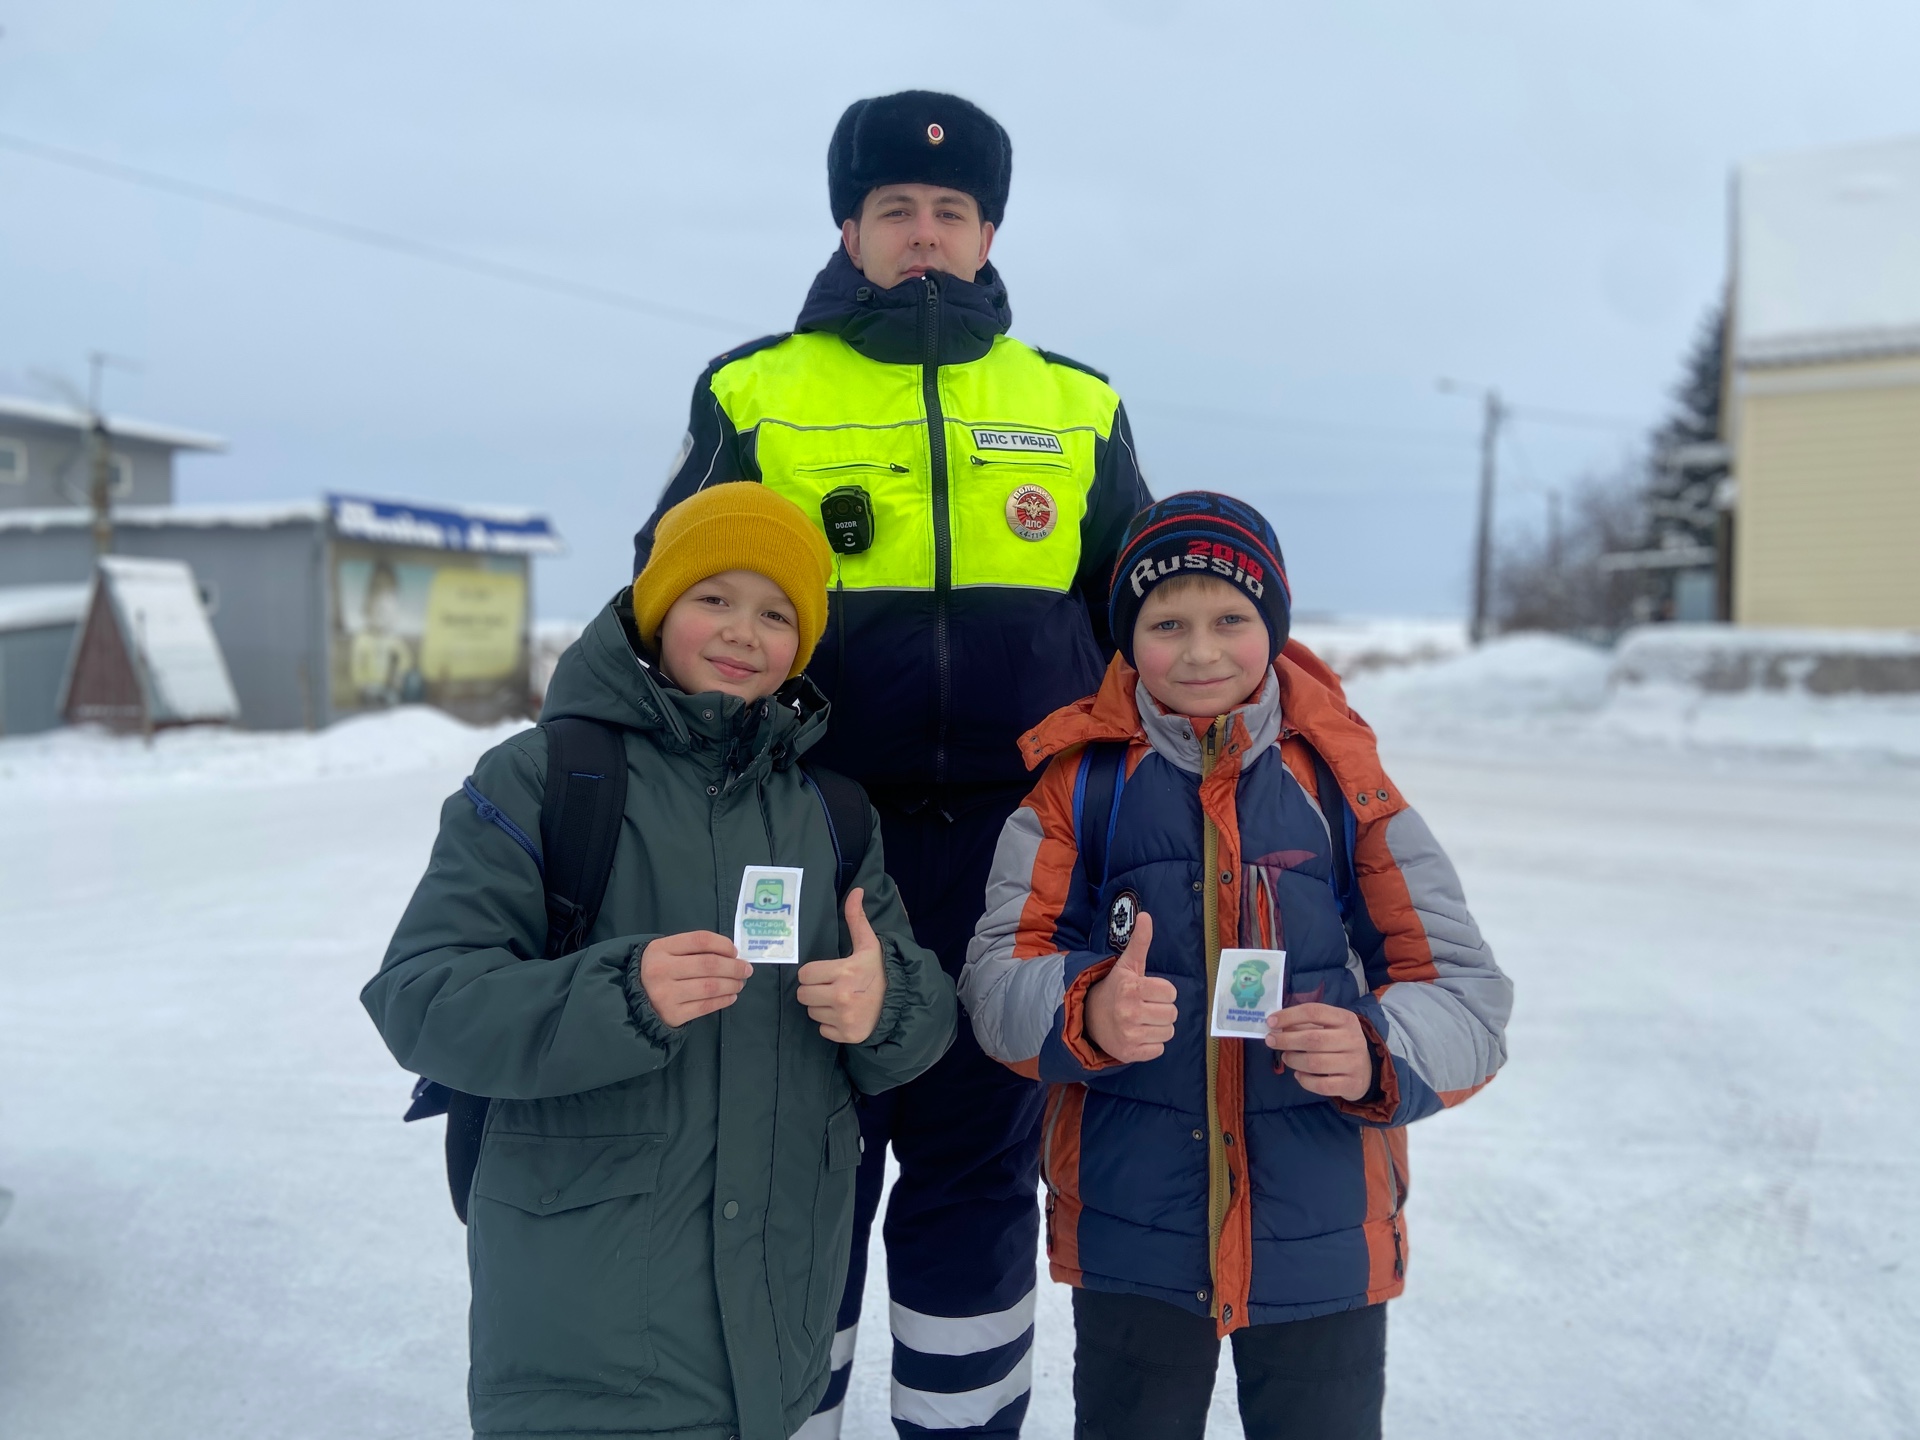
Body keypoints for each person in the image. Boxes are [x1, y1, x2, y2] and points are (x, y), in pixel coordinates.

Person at [633, 91, 1152, 1438]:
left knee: (980, 1175)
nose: (923, 234)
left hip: (1012, 852)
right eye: (894, 211)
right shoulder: (757, 390)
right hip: (806, 841)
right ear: (848, 226)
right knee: (805, 1162)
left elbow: (1143, 631)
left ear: (988, 234)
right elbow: (668, 601)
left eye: (951, 213)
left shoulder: (1077, 406)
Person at [363, 484, 957, 1440]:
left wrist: (881, 1001)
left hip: (776, 1339)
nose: (741, 632)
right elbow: (420, 997)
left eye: (776, 614)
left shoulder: (832, 813)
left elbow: (919, 1024)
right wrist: (619, 995)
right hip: (583, 1344)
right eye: (712, 598)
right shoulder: (546, 779)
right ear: (657, 605)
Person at [960, 492, 1514, 1439]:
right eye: (1167, 624)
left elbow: (1468, 998)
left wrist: (1378, 1050)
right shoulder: (1078, 785)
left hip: (1323, 1236)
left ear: (1275, 626)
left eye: (1231, 619)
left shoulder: (1344, 784)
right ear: (1128, 639)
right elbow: (996, 984)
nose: (1202, 650)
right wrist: (1085, 1010)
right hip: (1136, 1235)